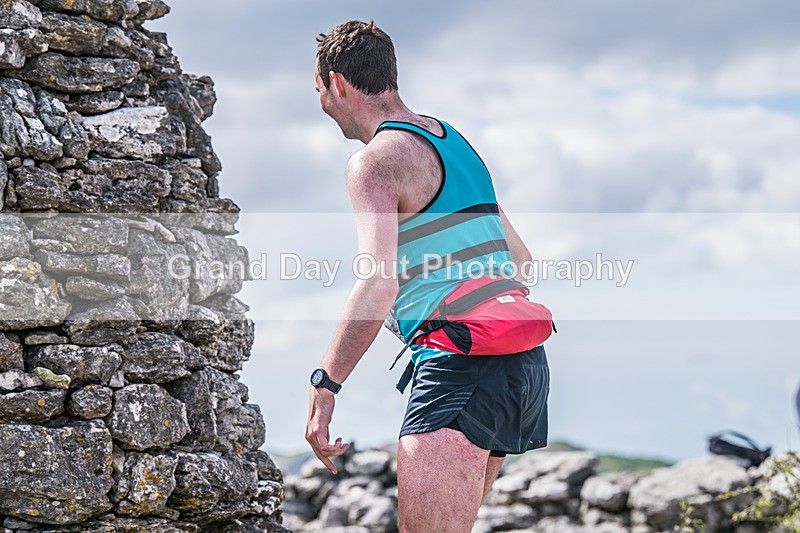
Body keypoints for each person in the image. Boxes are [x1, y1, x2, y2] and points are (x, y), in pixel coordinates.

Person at [305, 20, 551, 533]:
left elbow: (378, 281)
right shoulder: (453, 140)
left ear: (338, 83)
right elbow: (521, 261)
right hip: (522, 362)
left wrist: (325, 384)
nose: (322, 104)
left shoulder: (374, 161)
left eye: (319, 91)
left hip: (461, 361)